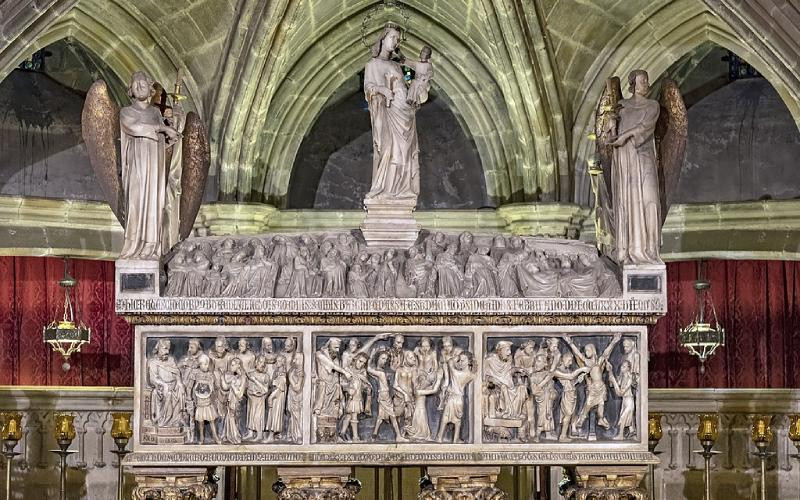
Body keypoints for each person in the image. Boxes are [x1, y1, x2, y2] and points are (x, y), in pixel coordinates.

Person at [119, 71, 180, 259]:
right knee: (136, 204)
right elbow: (135, 128)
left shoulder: (155, 113)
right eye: (135, 84)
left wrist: (172, 132)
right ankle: (133, 247)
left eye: (142, 83)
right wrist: (163, 128)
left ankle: (151, 247)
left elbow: (164, 141)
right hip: (137, 166)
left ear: (150, 88)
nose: (138, 86)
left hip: (154, 168)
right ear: (130, 90)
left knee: (154, 205)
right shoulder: (126, 112)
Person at [363, 25, 423, 205]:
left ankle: (404, 189)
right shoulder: (372, 64)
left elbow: (411, 83)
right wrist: (381, 89)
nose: (395, 42)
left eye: (398, 39)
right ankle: (386, 190)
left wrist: (419, 87)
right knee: (390, 149)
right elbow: (369, 88)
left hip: (405, 112)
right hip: (388, 112)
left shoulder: (400, 66)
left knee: (406, 151)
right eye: (392, 37)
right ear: (382, 39)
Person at [609, 69, 662, 265]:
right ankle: (628, 250)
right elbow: (610, 137)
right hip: (625, 160)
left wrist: (625, 135)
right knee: (627, 202)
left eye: (647, 80)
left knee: (650, 200)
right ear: (633, 84)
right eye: (642, 81)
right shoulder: (621, 106)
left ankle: (649, 251)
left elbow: (645, 128)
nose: (646, 84)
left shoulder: (653, 106)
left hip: (643, 157)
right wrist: (612, 124)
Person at [436, 352, 475, 443]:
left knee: (446, 418)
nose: (460, 362)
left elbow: (450, 362)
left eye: (462, 360)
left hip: (452, 398)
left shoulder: (457, 373)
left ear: (469, 361)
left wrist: (457, 357)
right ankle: (455, 439)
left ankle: (439, 437)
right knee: (457, 420)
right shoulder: (471, 375)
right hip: (459, 399)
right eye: (459, 360)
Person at [190, 354, 221, 445]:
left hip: (208, 401)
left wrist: (213, 391)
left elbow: (214, 387)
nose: (207, 366)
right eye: (204, 364)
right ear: (200, 364)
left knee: (211, 420)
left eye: (208, 364)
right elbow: (190, 387)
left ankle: (215, 436)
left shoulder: (210, 374)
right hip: (199, 401)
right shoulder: (195, 373)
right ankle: (201, 438)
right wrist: (190, 398)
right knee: (200, 422)